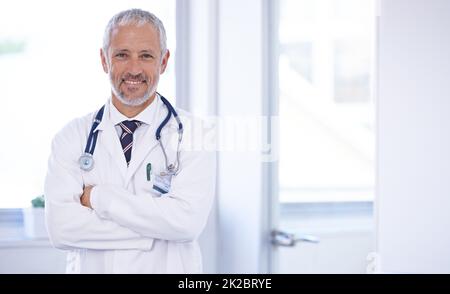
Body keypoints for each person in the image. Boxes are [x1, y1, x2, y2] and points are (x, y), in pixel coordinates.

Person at [44, 9, 216, 274]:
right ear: (104, 59)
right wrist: (156, 231)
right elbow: (61, 229)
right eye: (122, 55)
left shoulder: (193, 135)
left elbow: (186, 223)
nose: (134, 69)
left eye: (146, 56)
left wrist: (100, 197)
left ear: (164, 61)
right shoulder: (71, 137)